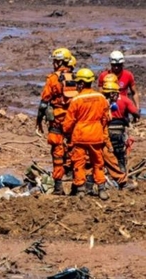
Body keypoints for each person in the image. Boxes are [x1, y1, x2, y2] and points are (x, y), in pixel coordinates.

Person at [62, 68, 110, 200]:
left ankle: (81, 189)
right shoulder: (101, 98)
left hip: (80, 135)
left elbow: (69, 121)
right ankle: (101, 189)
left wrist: (66, 133)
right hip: (96, 134)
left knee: (78, 163)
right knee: (98, 162)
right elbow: (106, 118)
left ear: (81, 83)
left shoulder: (76, 100)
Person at [36, 48, 77, 195]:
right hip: (73, 122)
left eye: (55, 61)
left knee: (57, 153)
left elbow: (44, 102)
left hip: (58, 122)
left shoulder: (53, 79)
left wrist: (39, 120)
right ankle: (77, 184)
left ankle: (59, 187)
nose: (53, 63)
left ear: (60, 61)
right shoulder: (75, 77)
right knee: (74, 151)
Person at [100, 81, 132, 188]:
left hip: (90, 134)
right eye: (116, 94)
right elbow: (103, 128)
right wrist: (108, 144)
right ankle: (121, 181)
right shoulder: (104, 105)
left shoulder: (105, 103)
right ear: (112, 94)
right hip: (97, 136)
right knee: (108, 157)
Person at [105, 80, 141, 172]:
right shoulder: (125, 99)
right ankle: (121, 168)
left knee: (106, 150)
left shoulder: (101, 100)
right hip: (119, 128)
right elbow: (135, 112)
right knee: (120, 149)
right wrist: (135, 118)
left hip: (105, 128)